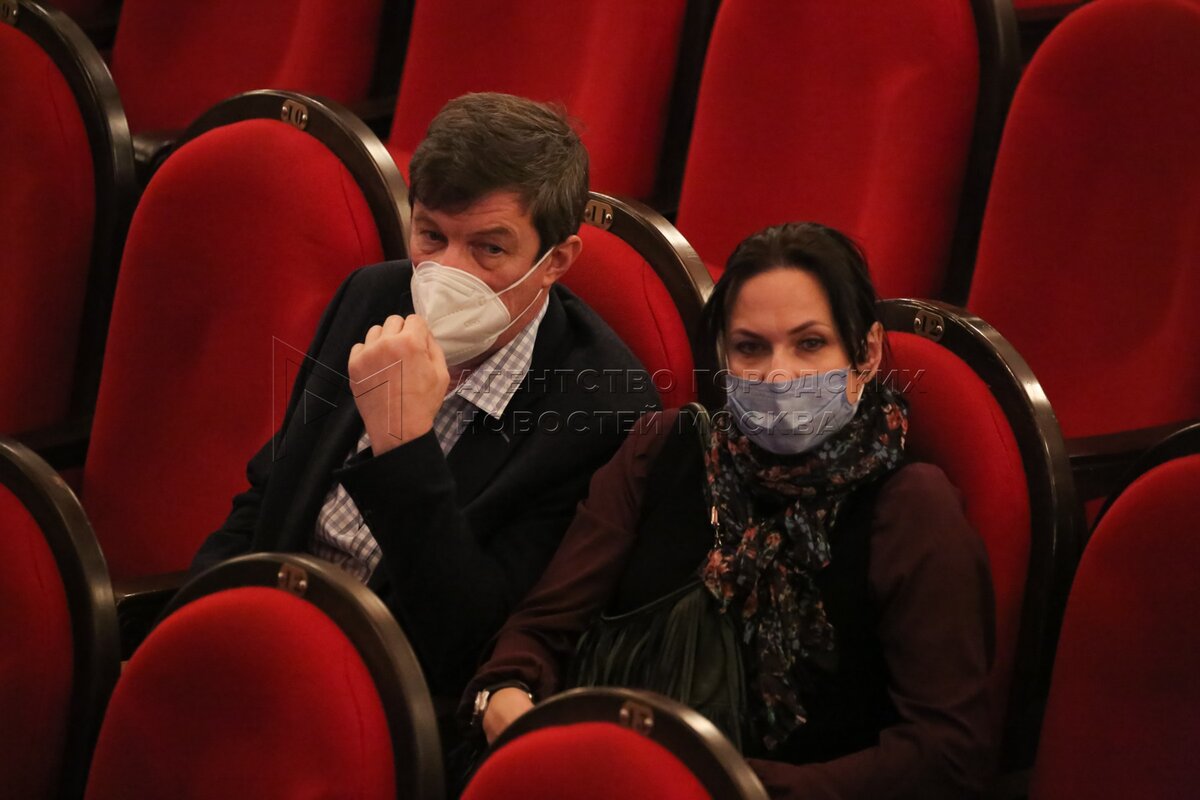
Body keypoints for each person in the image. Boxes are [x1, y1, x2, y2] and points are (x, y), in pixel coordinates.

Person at [463, 222, 996, 799]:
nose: (778, 374)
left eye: (810, 343)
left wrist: (716, 783)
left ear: (864, 353)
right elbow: (543, 629)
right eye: (750, 347)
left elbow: (947, 753)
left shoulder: (910, 508)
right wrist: (507, 689)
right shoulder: (665, 449)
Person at [191, 93, 660, 710]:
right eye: (431, 235)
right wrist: (190, 630)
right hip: (264, 641)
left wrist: (402, 444)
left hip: (394, 701)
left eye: (489, 248)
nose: (447, 273)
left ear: (555, 262)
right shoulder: (372, 296)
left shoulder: (600, 405)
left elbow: (468, 644)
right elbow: (267, 499)